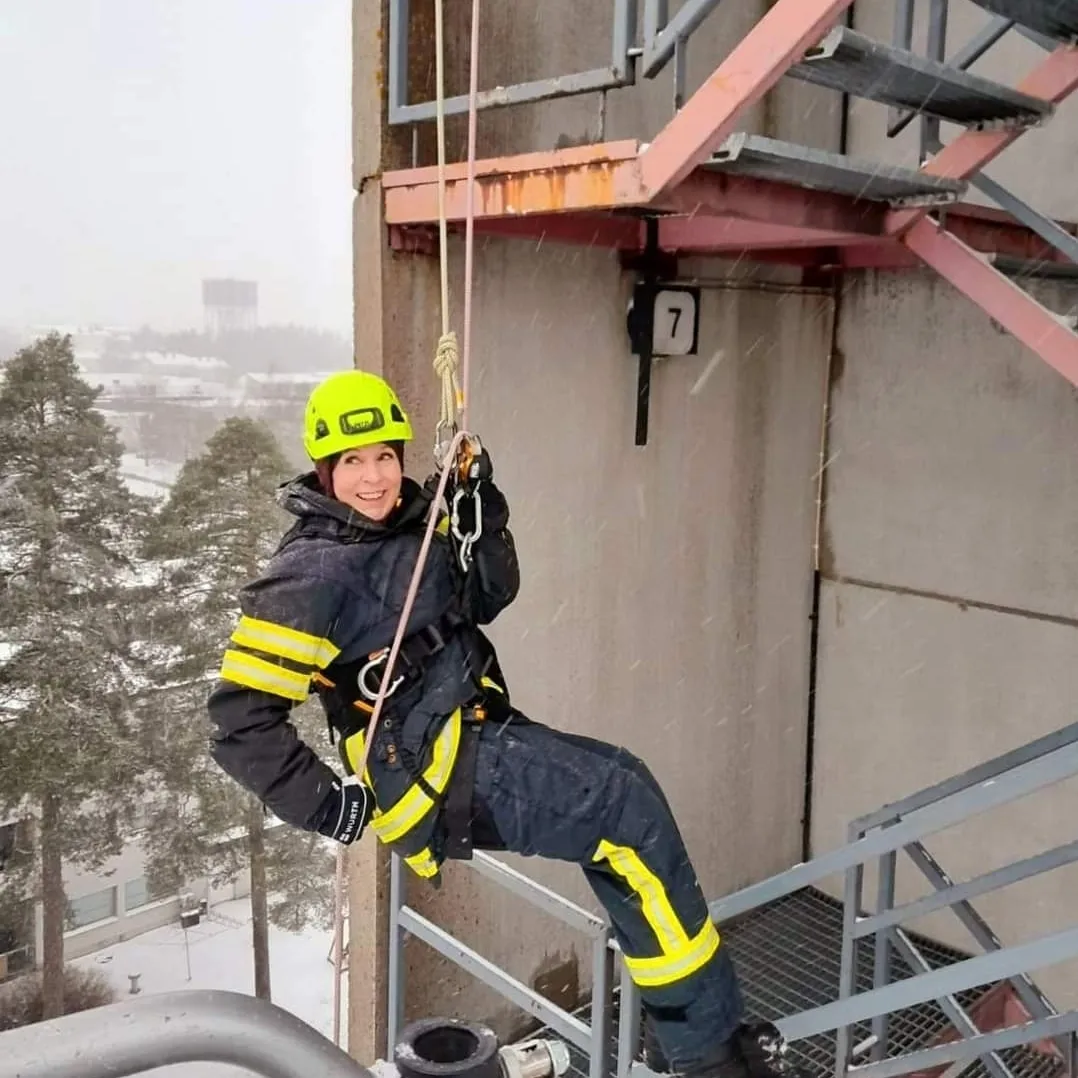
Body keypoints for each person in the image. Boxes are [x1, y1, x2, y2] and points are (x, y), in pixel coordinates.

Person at [206, 369, 795, 1078]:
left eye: (385, 457)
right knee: (622, 808)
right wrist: (327, 806)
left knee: (624, 791)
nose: (373, 478)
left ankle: (683, 1030)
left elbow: (488, 594)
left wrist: (479, 501)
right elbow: (242, 718)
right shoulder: (310, 576)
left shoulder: (411, 525)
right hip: (426, 765)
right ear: (323, 470)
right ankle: (706, 1055)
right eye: (353, 463)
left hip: (465, 727)